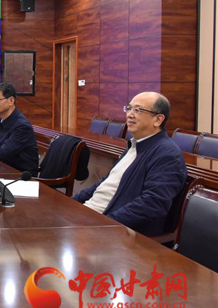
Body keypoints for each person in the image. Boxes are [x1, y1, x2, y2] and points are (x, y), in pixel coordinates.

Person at [72, 92, 187, 236]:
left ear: (158, 119)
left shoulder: (167, 154)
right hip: (91, 217)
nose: (130, 115)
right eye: (129, 108)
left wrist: (105, 224)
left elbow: (152, 204)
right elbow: (105, 183)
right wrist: (71, 203)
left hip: (112, 230)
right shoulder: (134, 145)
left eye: (138, 110)